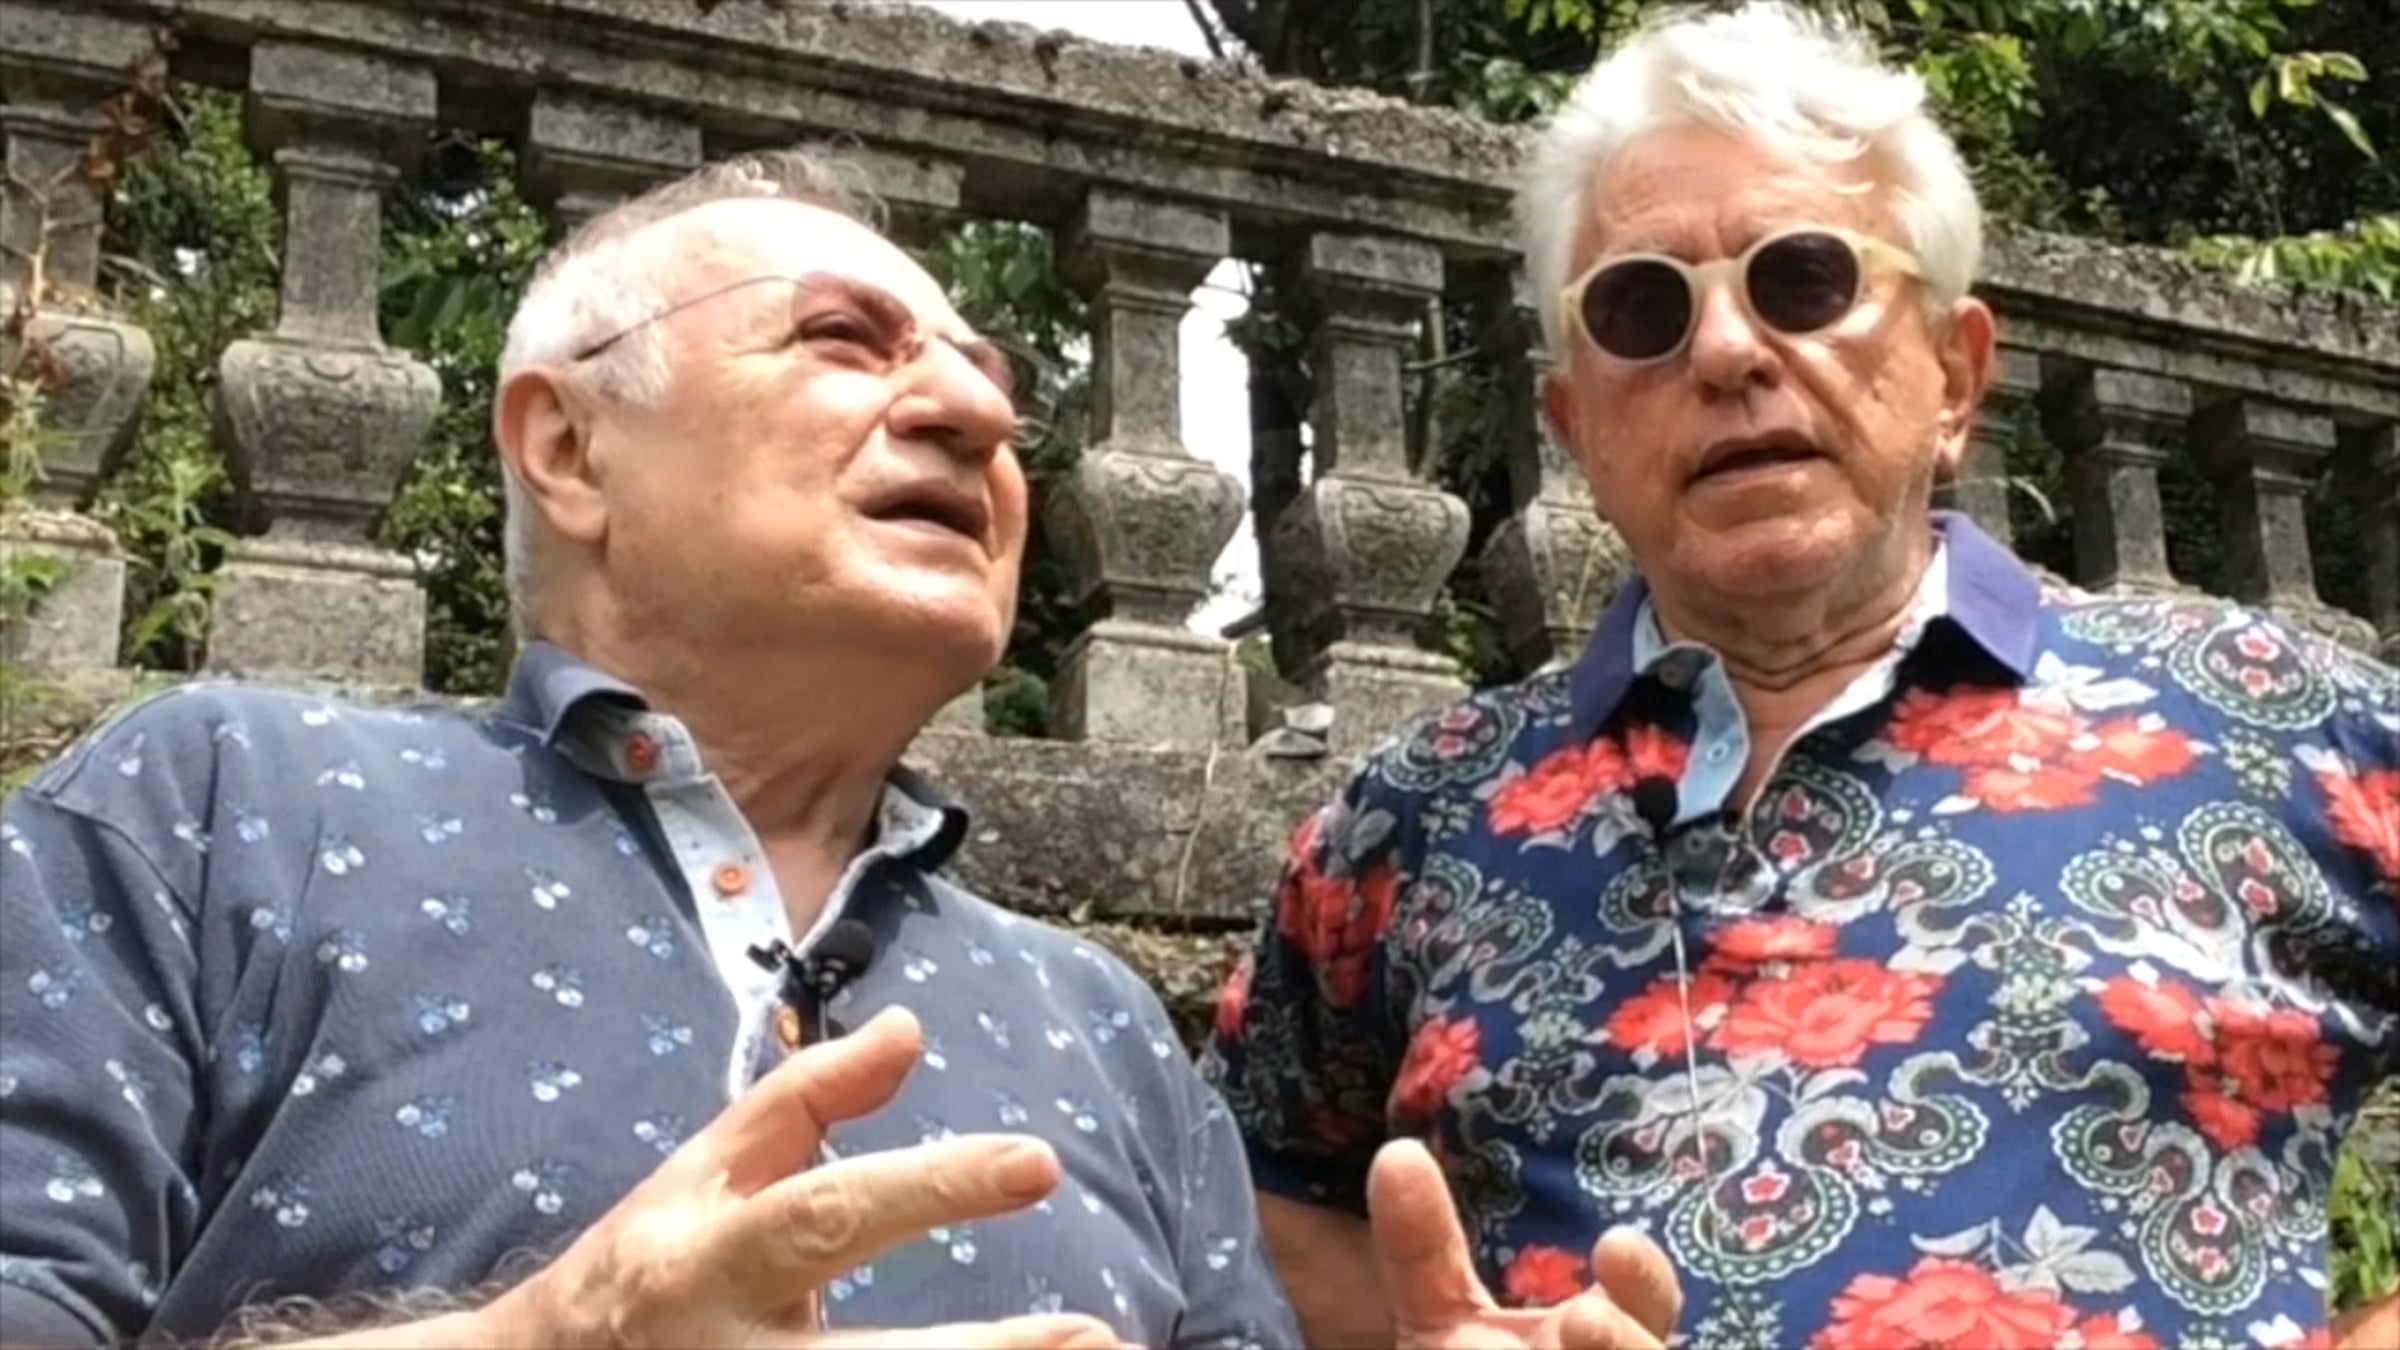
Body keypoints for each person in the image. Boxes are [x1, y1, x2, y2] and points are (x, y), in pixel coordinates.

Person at [1202, 5, 2400, 1350]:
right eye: (1644, 308)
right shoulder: (1415, 816)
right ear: (1577, 428)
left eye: (1805, 279)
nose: (1725, 351)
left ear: (1954, 375)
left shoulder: (2268, 715)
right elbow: (1239, 1201)